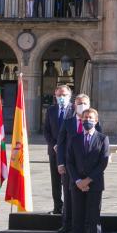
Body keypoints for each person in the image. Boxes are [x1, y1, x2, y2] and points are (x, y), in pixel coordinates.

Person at [65, 107, 110, 233]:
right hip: (76, 184)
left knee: (93, 217)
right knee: (77, 217)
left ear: (96, 121)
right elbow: (69, 162)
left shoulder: (103, 139)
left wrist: (88, 180)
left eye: (90, 118)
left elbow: (103, 163)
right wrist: (78, 181)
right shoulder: (74, 138)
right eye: (85, 118)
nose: (87, 120)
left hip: (94, 184)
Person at [43, 85, 73, 219]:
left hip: (70, 151)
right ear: (55, 96)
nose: (61, 97)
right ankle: (57, 207)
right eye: (59, 95)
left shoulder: (74, 110)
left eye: (64, 95)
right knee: (55, 180)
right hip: (54, 151)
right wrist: (54, 145)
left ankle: (69, 207)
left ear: (70, 96)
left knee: (69, 180)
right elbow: (46, 131)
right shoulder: (51, 110)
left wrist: (64, 146)